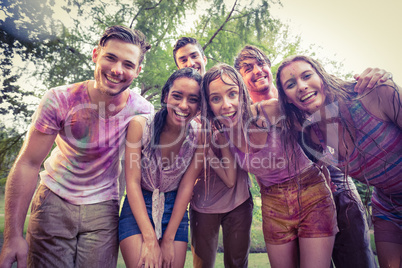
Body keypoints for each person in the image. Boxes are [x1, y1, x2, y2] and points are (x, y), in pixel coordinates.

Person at [0, 25, 154, 268]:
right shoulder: (60, 99)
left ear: (137, 71)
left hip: (102, 209)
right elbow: (29, 163)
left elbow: (146, 170)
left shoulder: (142, 110)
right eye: (110, 58)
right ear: (95, 55)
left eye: (128, 64)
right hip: (53, 200)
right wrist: (12, 236)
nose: (116, 70)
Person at [234, 45, 386, 267]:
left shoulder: (292, 96)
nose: (257, 70)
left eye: (261, 64)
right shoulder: (242, 114)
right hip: (281, 200)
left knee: (356, 255)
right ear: (240, 77)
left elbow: (333, 92)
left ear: (269, 66)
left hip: (333, 179)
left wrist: (375, 78)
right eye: (248, 68)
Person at [202, 63, 340, 268]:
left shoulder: (271, 110)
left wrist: (324, 164)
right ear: (209, 104)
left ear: (242, 93)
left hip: (311, 194)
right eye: (216, 98)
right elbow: (230, 180)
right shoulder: (222, 136)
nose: (226, 104)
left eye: (232, 94)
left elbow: (319, 124)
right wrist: (205, 151)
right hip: (273, 206)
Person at [275, 55, 401, 268]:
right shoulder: (312, 134)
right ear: (287, 97)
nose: (302, 86)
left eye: (307, 76)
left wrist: (384, 76)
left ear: (321, 77)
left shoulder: (375, 93)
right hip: (387, 207)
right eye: (291, 84)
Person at [118, 67, 236, 268]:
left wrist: (168, 239)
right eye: (177, 96)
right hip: (139, 205)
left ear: (200, 105)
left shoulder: (200, 135)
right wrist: (149, 239)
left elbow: (187, 185)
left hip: (175, 210)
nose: (184, 105)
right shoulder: (140, 125)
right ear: (166, 96)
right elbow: (133, 182)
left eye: (193, 99)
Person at [173, 37, 253, 268]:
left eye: (194, 55)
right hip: (202, 204)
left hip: (239, 201)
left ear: (203, 58)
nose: (190, 62)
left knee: (237, 263)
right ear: (179, 66)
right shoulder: (185, 109)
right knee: (202, 264)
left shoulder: (228, 92)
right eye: (183, 59)